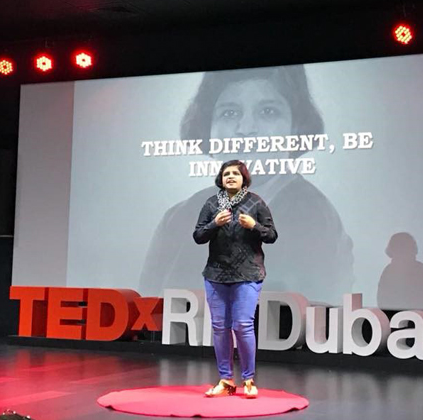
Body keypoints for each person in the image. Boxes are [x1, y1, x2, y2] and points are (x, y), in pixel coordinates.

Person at [139, 65, 355, 306]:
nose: (246, 129)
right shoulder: (178, 217)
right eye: (229, 113)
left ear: (296, 127)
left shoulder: (314, 217)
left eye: (268, 112)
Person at [194, 160, 277, 398]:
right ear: (221, 179)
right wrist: (214, 224)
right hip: (216, 273)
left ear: (244, 178)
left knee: (242, 325)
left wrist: (254, 225)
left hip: (248, 273)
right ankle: (226, 380)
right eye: (226, 174)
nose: (230, 177)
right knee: (220, 327)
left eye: (235, 173)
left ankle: (248, 380)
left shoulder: (256, 202)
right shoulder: (212, 203)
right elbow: (198, 236)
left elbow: (271, 235)